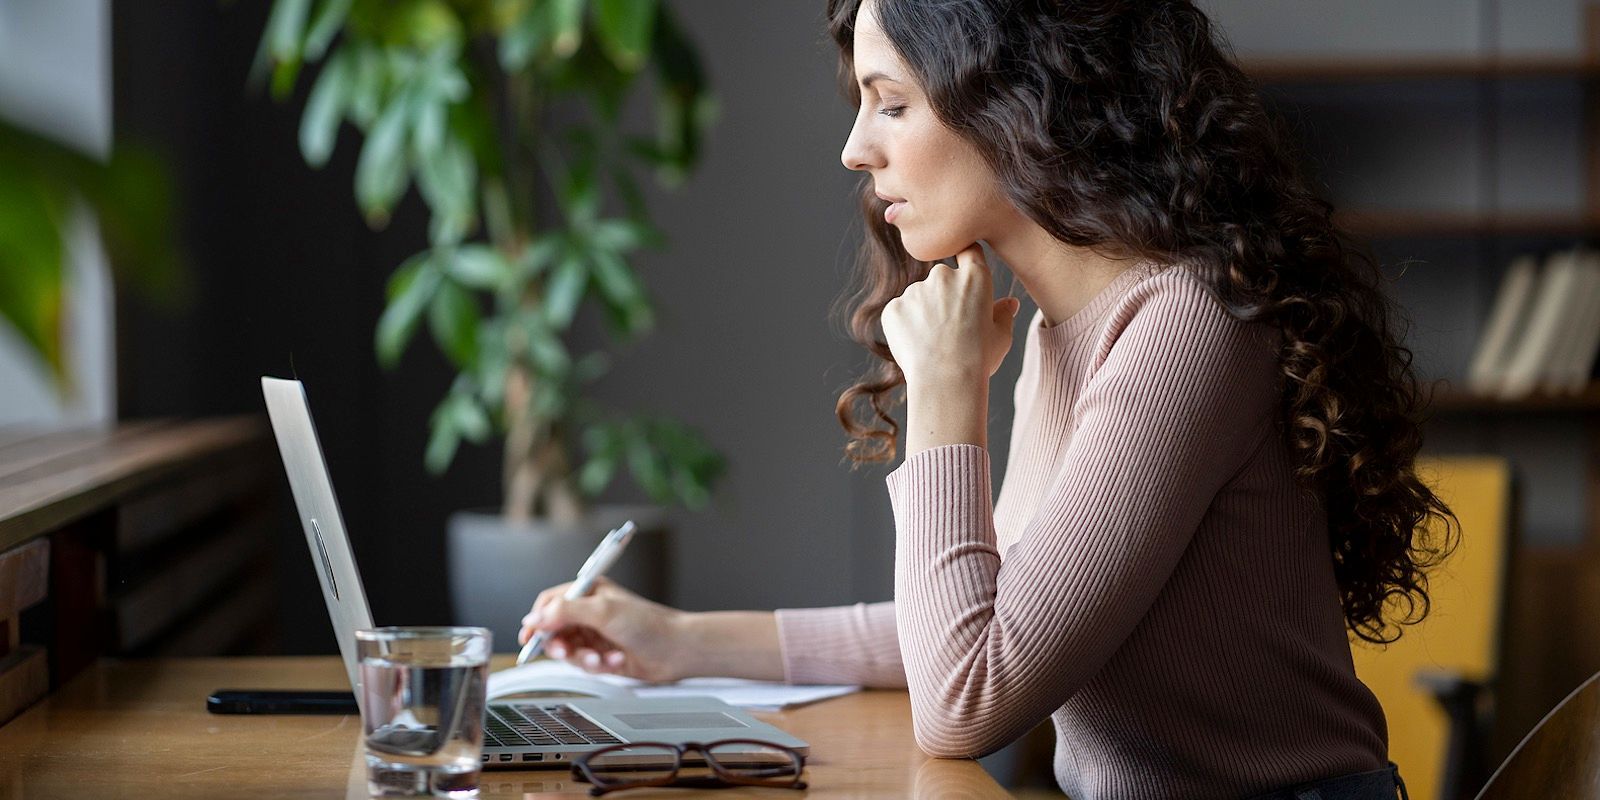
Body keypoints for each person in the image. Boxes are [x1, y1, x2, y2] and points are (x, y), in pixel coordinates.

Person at [518, 1, 1457, 798]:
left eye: (892, 104)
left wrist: (947, 389)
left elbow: (968, 696)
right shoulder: (1067, 327)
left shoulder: (1186, 327)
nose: (854, 149)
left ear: (1017, 104)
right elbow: (982, 624)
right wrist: (676, 641)